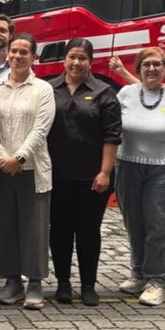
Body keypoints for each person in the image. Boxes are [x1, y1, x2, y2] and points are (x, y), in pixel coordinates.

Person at [112, 46, 165, 307]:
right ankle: (139, 274)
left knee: (160, 226)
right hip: (128, 167)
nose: (152, 69)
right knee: (134, 223)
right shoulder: (125, 93)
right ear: (138, 69)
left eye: (157, 64)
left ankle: (158, 281)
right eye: (146, 64)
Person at [46, 39, 120, 307]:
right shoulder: (49, 90)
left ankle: (88, 284)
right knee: (60, 230)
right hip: (56, 175)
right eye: (72, 57)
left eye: (82, 58)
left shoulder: (104, 92)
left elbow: (112, 136)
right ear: (64, 60)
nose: (77, 63)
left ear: (90, 61)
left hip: (92, 177)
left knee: (89, 230)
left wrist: (105, 172)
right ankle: (63, 283)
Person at [0, 34, 55, 310]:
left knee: (34, 227)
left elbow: (41, 128)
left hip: (32, 168)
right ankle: (12, 281)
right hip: (0, 168)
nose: (16, 56)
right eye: (14, 51)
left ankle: (35, 283)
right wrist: (3, 157)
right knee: (4, 226)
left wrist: (20, 156)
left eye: (24, 52)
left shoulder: (42, 89)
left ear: (33, 56)